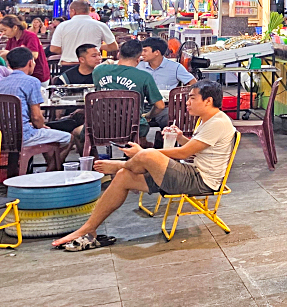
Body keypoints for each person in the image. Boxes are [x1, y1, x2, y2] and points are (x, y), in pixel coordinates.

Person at [51, 81, 236, 251]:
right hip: (188, 172)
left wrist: (143, 155)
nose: (187, 102)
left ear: (208, 101)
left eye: (192, 98)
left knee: (146, 155)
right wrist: (180, 137)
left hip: (200, 180)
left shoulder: (218, 122)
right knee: (124, 176)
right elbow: (196, 149)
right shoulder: (206, 119)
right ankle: (88, 229)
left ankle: (120, 164)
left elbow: (184, 153)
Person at [0, 47, 71, 160]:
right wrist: (39, 126)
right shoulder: (32, 82)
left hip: (3, 137)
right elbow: (37, 117)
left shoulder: (2, 82)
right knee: (68, 138)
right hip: (24, 136)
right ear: (30, 62)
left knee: (45, 137)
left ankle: (51, 167)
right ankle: (52, 170)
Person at [94, 39, 166, 145]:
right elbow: (160, 106)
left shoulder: (99, 71)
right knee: (143, 139)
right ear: (138, 59)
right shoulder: (144, 77)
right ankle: (137, 153)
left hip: (100, 126)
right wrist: (148, 116)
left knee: (77, 134)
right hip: (132, 128)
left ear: (119, 55)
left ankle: (93, 159)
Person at [50, 0, 117, 67]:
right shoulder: (100, 25)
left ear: (73, 11)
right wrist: (96, 47)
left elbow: (54, 48)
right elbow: (113, 47)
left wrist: (69, 50)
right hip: (91, 66)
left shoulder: (62, 26)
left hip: (68, 65)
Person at [0, 15, 50, 82]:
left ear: (15, 27)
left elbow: (34, 55)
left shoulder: (30, 36)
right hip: (20, 76)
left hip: (36, 75)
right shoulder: (12, 39)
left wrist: (9, 54)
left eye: (5, 30)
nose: (4, 33)